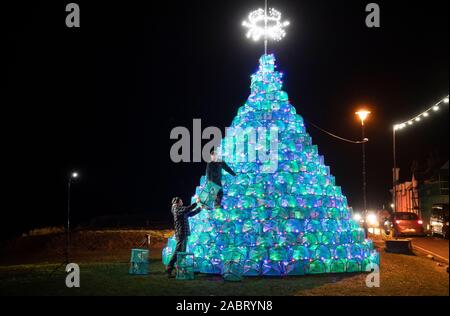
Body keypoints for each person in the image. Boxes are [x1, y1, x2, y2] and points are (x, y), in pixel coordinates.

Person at [167, 196, 201, 278]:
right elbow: (186, 209)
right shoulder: (176, 209)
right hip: (181, 233)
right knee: (178, 251)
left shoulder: (180, 210)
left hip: (184, 233)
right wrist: (196, 203)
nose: (182, 202)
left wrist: (200, 208)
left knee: (182, 252)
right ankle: (169, 267)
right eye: (181, 201)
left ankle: (180, 269)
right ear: (177, 202)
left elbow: (190, 213)